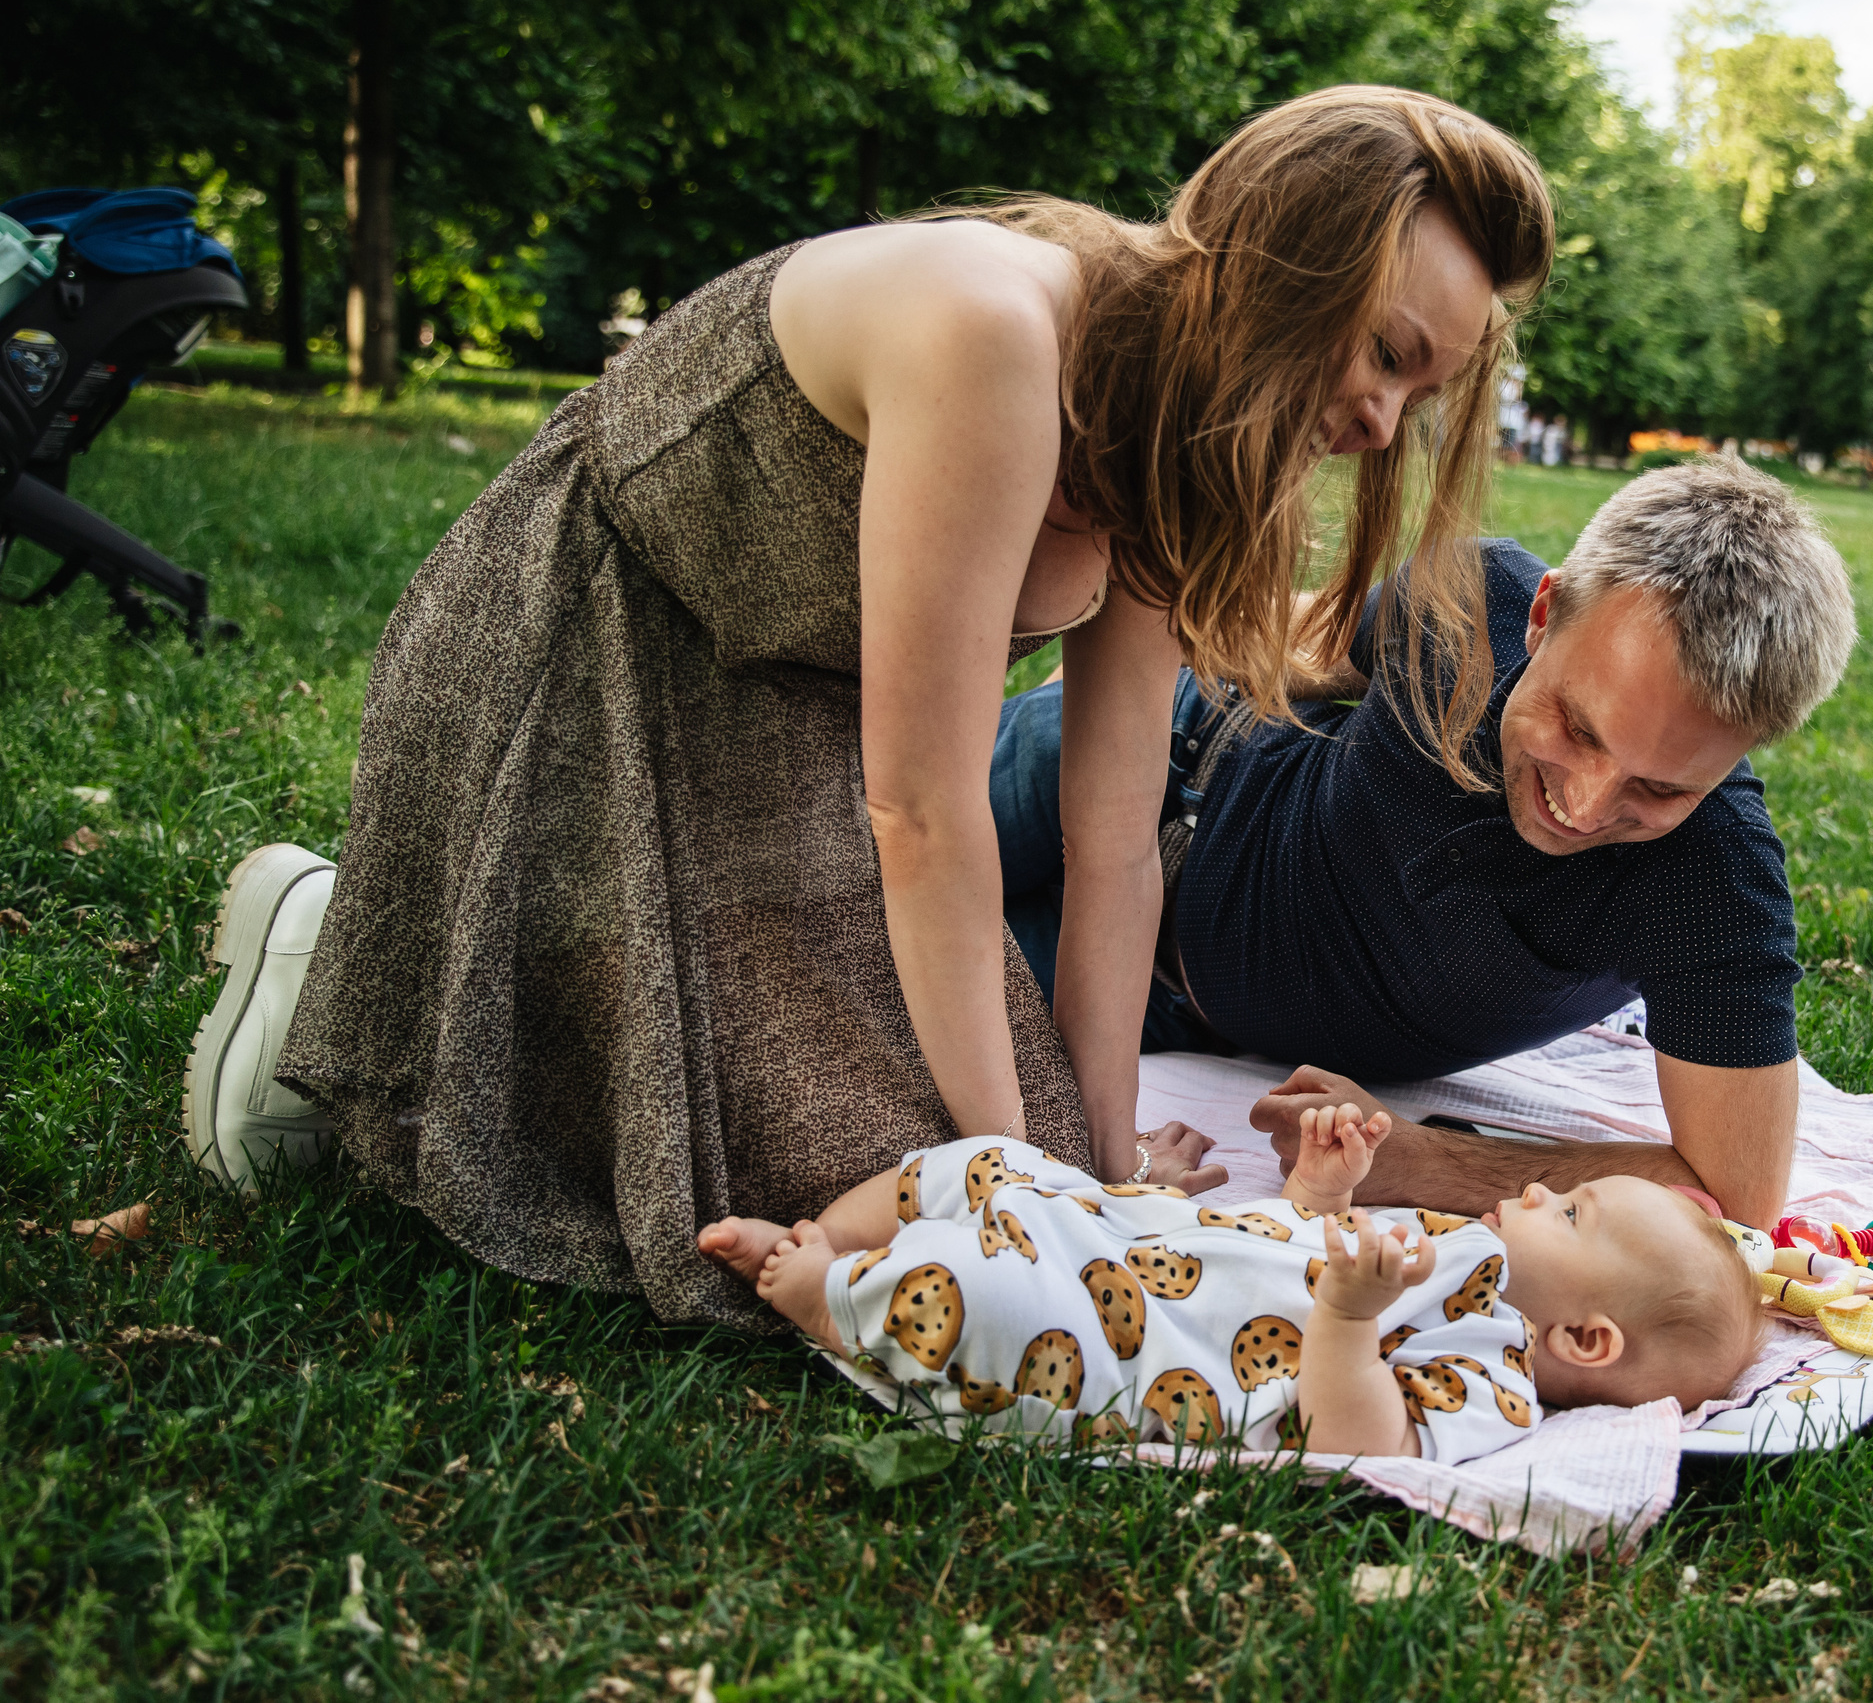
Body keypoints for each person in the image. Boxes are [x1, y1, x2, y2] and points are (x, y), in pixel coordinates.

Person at [180, 87, 1555, 1330]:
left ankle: (446, 968)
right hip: (590, 643)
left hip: (793, 726)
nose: (1383, 423)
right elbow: (922, 806)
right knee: (815, 1204)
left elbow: (1116, 838)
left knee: (904, 1179)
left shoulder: (1192, 449)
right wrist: (1015, 1188)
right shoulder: (994, 332)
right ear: (1278, 263)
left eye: (1418, 395)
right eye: (1384, 352)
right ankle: (350, 943)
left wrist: (1092, 1165)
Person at [988, 458, 1855, 1229]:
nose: (1586, 807)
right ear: (1544, 614)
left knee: (878, 973)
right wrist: (1125, 677)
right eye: (1576, 726)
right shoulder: (1470, 597)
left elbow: (1735, 1196)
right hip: (1167, 753)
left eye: (1661, 788)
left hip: (1163, 993)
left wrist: (1420, 1160)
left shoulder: (1716, 881)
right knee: (879, 839)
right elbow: (1316, 642)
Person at [715, 1101, 1761, 1456]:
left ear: (1586, 1339)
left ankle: (823, 1295)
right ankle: (833, 1231)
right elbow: (1287, 1242)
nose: (1536, 1193)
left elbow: (1361, 1444)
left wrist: (1349, 1320)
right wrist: (1322, 1191)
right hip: (1128, 1236)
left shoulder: (1497, 1379)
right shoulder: (1452, 1244)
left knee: (973, 1295)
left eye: (1568, 1213)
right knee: (988, 1161)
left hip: (1123, 1345)